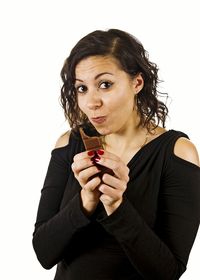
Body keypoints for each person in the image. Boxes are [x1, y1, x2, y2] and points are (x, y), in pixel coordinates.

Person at [32, 29, 200, 280]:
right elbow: (44, 253)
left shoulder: (177, 153)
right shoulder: (69, 144)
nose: (91, 102)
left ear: (137, 83)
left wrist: (116, 206)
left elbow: (168, 273)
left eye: (105, 84)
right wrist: (86, 201)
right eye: (81, 88)